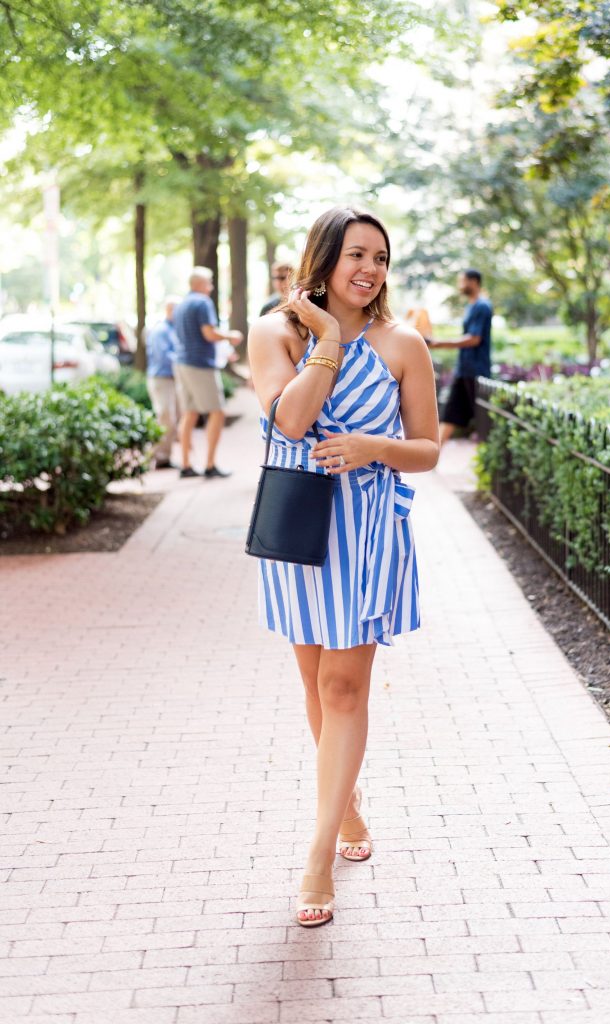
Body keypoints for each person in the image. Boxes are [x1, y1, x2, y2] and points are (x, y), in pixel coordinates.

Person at [247, 207, 439, 928]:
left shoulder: (403, 343)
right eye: (356, 254)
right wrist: (326, 338)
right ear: (324, 258)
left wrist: (372, 446)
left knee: (342, 686)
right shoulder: (277, 331)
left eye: (381, 258)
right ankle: (349, 802)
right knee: (312, 680)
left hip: (366, 529)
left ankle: (318, 854)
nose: (370, 269)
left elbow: (426, 448)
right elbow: (290, 422)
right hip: (301, 523)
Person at [173, 266, 243, 479]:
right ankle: (210, 465)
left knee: (190, 413)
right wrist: (231, 337)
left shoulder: (181, 305)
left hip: (182, 363)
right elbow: (209, 334)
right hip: (200, 364)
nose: (211, 287)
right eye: (210, 282)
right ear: (201, 284)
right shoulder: (203, 302)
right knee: (217, 412)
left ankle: (185, 464)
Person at [427, 269, 492, 445]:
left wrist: (439, 343)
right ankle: (433, 459)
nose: (459, 285)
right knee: (451, 414)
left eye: (462, 281)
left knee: (484, 421)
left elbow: (474, 339)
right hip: (464, 370)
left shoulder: (482, 306)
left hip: (476, 372)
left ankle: (490, 464)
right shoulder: (471, 306)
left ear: (473, 282)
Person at [146, 297, 180, 469]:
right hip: (161, 378)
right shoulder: (161, 331)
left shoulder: (172, 329)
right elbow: (164, 357)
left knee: (170, 418)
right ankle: (158, 457)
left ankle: (163, 456)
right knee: (165, 417)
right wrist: (182, 361)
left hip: (169, 378)